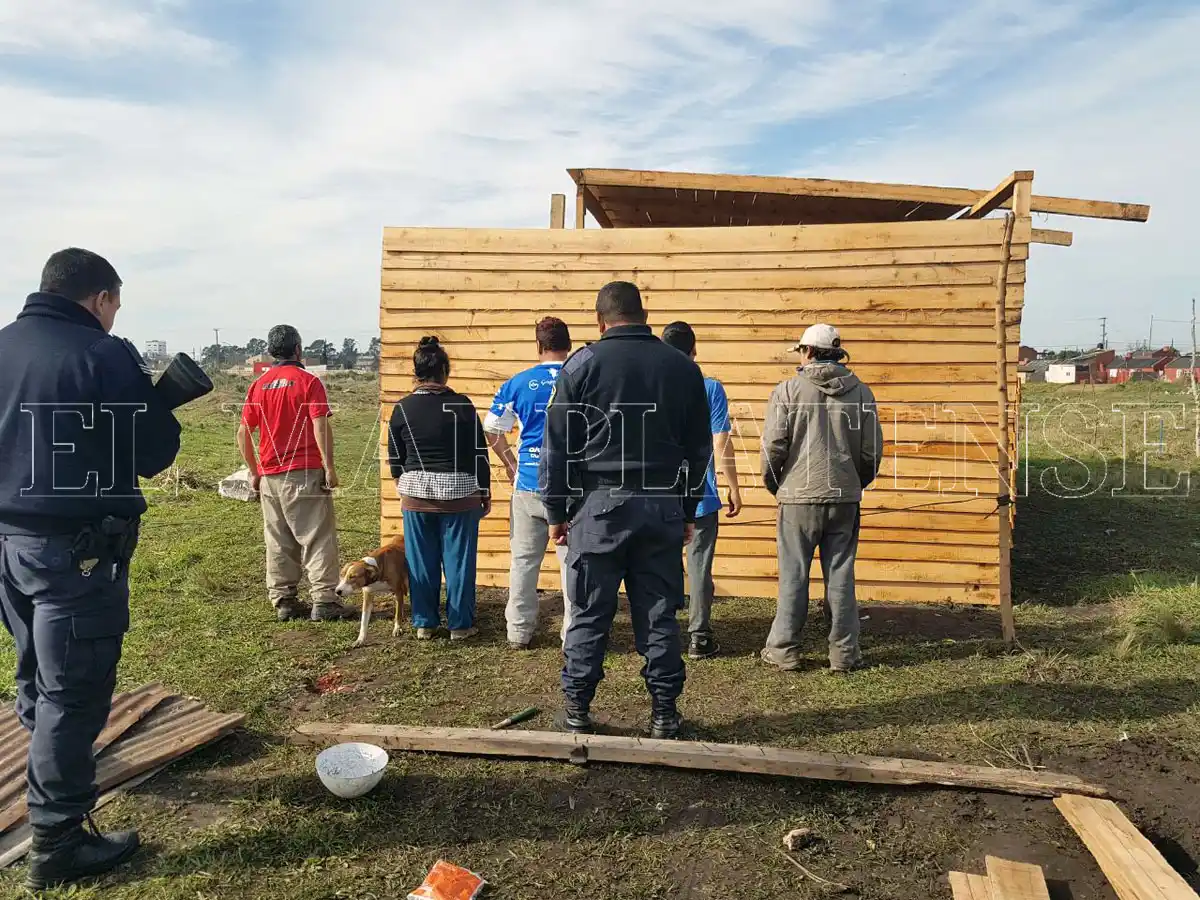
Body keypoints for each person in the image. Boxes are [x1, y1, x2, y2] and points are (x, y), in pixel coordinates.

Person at [0, 249, 182, 891]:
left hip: (12, 548)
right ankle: (56, 841)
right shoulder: (101, 354)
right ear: (100, 298)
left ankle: (51, 769)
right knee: (74, 692)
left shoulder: (2, 347)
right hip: (75, 557)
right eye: (115, 305)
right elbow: (154, 451)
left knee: (38, 674)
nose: (113, 317)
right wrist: (159, 406)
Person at [540, 282, 712, 739]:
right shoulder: (681, 367)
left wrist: (555, 510)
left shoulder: (582, 364)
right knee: (658, 612)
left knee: (590, 611)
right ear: (644, 313)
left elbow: (556, 446)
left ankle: (577, 710)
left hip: (599, 509)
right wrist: (689, 509)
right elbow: (699, 450)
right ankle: (664, 714)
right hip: (661, 507)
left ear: (600, 320)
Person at [760, 323, 882, 674]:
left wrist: (776, 485)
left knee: (794, 573)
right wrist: (853, 483)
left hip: (797, 498)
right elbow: (872, 452)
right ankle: (844, 655)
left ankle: (784, 650)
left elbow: (773, 447)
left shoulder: (787, 391)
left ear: (808, 352)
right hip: (845, 497)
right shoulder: (861, 393)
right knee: (841, 573)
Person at [238, 325, 355, 622]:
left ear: (271, 352)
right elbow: (319, 424)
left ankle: (284, 600)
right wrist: (329, 467)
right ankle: (325, 600)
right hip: (304, 472)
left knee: (278, 539)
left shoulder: (258, 386)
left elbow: (243, 433)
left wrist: (254, 472)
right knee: (317, 536)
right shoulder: (308, 382)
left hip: (270, 477)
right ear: (299, 349)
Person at [387, 337, 490, 640]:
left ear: (416, 373)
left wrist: (400, 484)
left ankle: (424, 623)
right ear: (445, 371)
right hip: (460, 496)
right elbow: (478, 454)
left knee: (421, 561)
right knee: (459, 561)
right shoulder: (462, 405)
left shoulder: (402, 408)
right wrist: (484, 491)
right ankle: (460, 625)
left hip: (417, 496)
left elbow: (396, 456)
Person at [483, 317, 575, 651]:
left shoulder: (518, 383)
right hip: (572, 486)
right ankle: (573, 634)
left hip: (529, 482)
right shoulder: (583, 378)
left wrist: (510, 463)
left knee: (523, 560)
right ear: (569, 344)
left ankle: (518, 632)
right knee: (572, 562)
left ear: (539, 346)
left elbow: (492, 430)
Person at [660, 321, 743, 659]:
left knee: (659, 565)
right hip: (700, 493)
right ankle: (699, 636)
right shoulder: (710, 388)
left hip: (657, 494)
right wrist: (733, 486)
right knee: (699, 567)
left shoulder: (650, 386)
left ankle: (660, 633)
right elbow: (720, 440)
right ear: (694, 351)